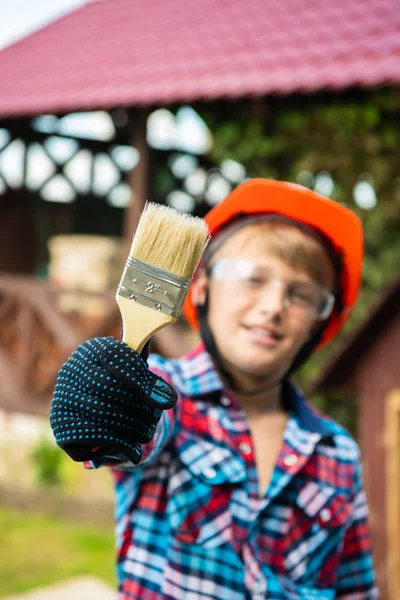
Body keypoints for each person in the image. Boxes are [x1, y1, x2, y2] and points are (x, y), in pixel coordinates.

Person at [50, 179, 378, 599]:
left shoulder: (338, 455)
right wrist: (103, 410)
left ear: (320, 322)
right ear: (201, 286)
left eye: (301, 294)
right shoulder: (164, 397)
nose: (274, 305)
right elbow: (140, 432)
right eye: (252, 278)